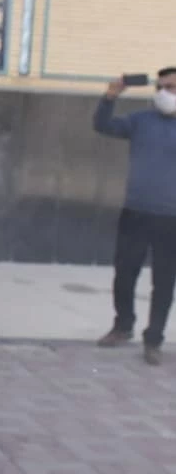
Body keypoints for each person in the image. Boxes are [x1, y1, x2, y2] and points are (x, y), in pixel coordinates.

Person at [94, 67, 176, 365]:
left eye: (174, 88)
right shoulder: (141, 121)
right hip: (136, 212)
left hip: (171, 218)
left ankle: (153, 340)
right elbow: (102, 125)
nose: (168, 94)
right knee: (125, 273)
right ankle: (122, 326)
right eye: (163, 87)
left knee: (164, 282)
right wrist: (110, 96)